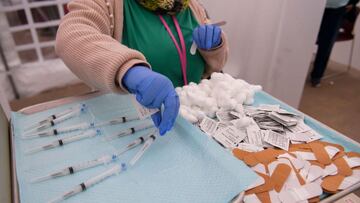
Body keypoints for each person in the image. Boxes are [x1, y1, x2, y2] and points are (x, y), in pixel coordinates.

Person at [55, 0, 229, 135]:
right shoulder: (107, 4)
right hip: (140, 127)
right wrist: (129, 70)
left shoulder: (189, 5)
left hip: (195, 119)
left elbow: (216, 66)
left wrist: (214, 47)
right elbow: (71, 35)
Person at [311, 0, 358, 87]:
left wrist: (352, 3)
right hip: (314, 6)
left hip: (337, 10)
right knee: (306, 38)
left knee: (326, 44)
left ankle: (316, 76)